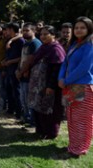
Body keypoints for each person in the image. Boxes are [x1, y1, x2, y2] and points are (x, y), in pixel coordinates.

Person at [58, 16, 93, 157]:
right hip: (69, 85)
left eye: (82, 28)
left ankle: (79, 149)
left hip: (81, 86)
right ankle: (73, 145)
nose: (79, 30)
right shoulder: (74, 45)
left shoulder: (90, 44)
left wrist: (65, 80)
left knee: (81, 119)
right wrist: (60, 78)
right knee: (71, 117)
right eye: (77, 27)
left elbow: (84, 68)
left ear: (89, 29)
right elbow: (65, 63)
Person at [28, 25, 65, 139]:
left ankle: (50, 133)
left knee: (50, 110)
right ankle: (41, 130)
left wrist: (50, 86)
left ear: (53, 35)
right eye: (41, 34)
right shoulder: (43, 47)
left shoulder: (55, 49)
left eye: (46, 34)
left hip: (49, 86)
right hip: (38, 86)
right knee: (38, 107)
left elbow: (56, 70)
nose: (43, 36)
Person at [15, 23, 42, 126]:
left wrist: (22, 72)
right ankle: (26, 117)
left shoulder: (35, 43)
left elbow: (30, 60)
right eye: (23, 31)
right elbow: (22, 58)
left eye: (27, 30)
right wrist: (18, 70)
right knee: (23, 98)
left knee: (29, 100)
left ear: (33, 31)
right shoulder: (26, 43)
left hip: (29, 76)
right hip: (22, 75)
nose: (25, 32)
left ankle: (32, 121)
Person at [2, 22, 25, 119]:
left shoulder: (21, 41)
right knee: (8, 90)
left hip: (16, 70)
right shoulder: (9, 41)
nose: (6, 31)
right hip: (8, 70)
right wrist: (5, 61)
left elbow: (22, 57)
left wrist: (10, 61)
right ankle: (11, 109)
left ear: (11, 30)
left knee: (17, 92)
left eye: (7, 29)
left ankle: (19, 113)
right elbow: (8, 54)